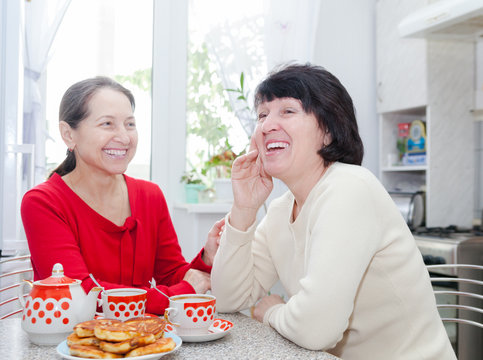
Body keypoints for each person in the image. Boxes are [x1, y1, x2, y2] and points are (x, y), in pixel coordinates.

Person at [211, 64, 456, 359]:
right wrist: (244, 208)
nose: (266, 125)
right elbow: (227, 298)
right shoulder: (281, 210)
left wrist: (271, 311)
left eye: (288, 111)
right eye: (263, 115)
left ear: (328, 131)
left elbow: (316, 329)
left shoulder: (349, 188)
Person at [21, 76, 224, 315]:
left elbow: (170, 275)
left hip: (144, 343)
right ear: (68, 135)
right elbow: (79, 294)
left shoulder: (150, 196)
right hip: (76, 346)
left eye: (129, 124)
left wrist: (207, 259)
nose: (124, 137)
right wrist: (182, 293)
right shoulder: (43, 202)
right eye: (107, 124)